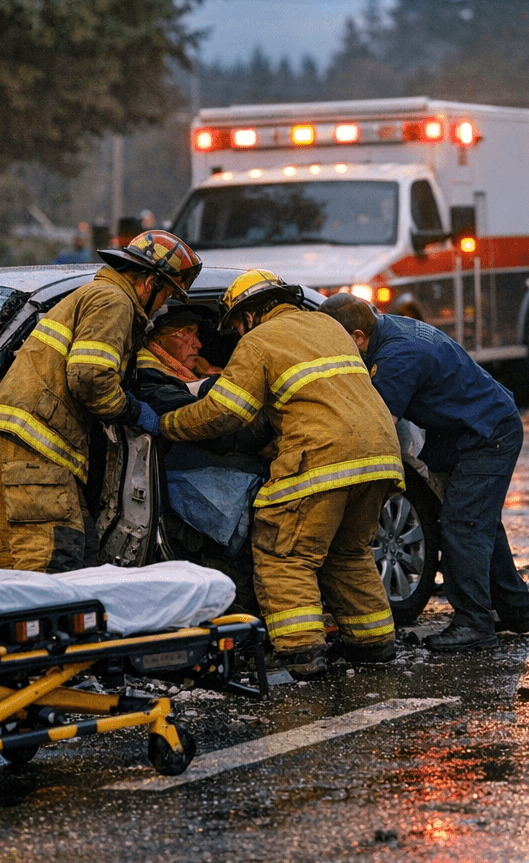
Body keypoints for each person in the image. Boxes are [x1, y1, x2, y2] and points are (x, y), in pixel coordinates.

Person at [157, 269, 403, 677]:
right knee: (347, 552)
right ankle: (374, 643)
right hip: (379, 454)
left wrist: (167, 425)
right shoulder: (327, 324)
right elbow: (320, 397)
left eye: (235, 324)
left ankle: (300, 651)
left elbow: (226, 412)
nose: (236, 333)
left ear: (249, 315)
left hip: (324, 456)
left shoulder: (259, 340)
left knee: (284, 552)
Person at [320, 293, 529, 653]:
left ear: (358, 337)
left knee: (462, 526)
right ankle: (517, 614)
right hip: (474, 429)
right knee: (479, 525)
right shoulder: (387, 330)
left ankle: (473, 624)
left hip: (486, 435)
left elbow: (378, 427)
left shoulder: (398, 357)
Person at [0, 230, 202, 573]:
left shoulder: (98, 295)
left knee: (44, 555)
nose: (164, 306)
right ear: (149, 283)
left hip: (24, 442)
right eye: (167, 294)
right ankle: (48, 627)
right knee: (53, 557)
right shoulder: (114, 302)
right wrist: (132, 410)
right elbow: (90, 377)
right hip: (38, 444)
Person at [134, 302, 268, 614]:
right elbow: (212, 429)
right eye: (187, 333)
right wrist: (261, 436)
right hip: (190, 486)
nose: (198, 343)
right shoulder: (149, 378)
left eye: (197, 334)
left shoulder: (192, 372)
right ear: (158, 338)